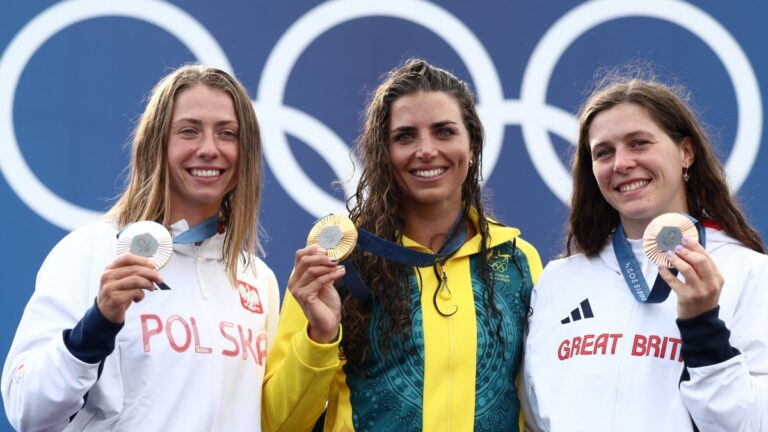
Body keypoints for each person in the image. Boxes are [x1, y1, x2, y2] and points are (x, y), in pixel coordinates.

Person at [262, 58, 542, 431]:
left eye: (444, 132)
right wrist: (320, 337)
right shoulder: (340, 263)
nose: (425, 150)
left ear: (472, 145)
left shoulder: (517, 261)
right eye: (405, 136)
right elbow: (278, 424)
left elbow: (542, 408)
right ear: (383, 154)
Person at [2, 65, 279, 430]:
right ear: (156, 143)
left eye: (227, 134)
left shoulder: (256, 278)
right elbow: (27, 408)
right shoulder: (91, 251)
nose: (210, 149)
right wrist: (96, 326)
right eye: (189, 131)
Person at [521, 72, 768, 431]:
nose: (621, 163)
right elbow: (536, 414)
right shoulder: (560, 281)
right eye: (604, 152)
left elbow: (753, 424)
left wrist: (703, 328)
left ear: (686, 152)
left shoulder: (750, 273)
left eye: (639, 143)